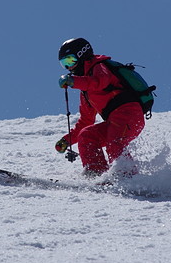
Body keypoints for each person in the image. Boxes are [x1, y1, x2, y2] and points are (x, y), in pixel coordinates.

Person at [55, 38, 145, 176]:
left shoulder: (99, 66)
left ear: (82, 55)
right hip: (114, 120)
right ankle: (96, 175)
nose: (69, 68)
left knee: (114, 141)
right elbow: (86, 121)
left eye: (70, 61)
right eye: (64, 64)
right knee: (87, 135)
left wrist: (74, 81)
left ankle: (129, 178)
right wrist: (67, 140)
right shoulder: (85, 91)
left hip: (129, 114)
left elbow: (100, 82)